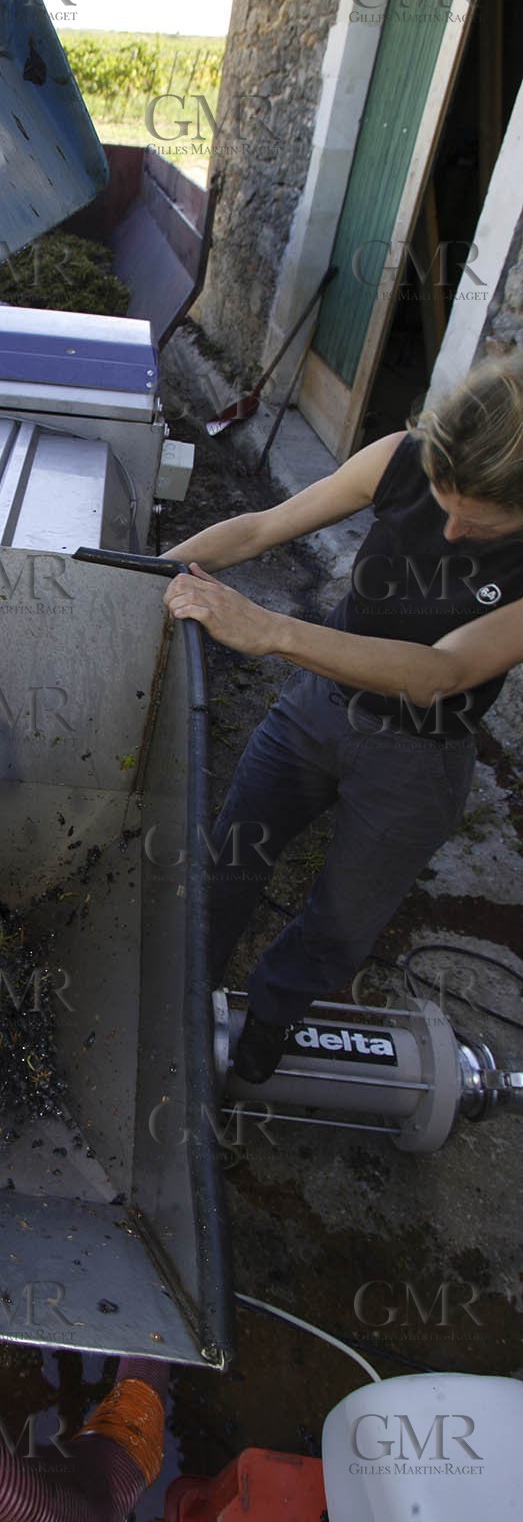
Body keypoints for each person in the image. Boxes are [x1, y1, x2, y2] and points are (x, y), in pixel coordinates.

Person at [161, 353, 523, 1082]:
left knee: (344, 917)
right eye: (442, 500)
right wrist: (146, 572)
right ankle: (178, 993)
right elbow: (260, 528)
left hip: (418, 757)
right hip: (316, 707)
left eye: (478, 524)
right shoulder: (398, 458)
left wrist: (272, 630)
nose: (451, 531)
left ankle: (272, 1015)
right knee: (228, 857)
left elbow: (441, 675)